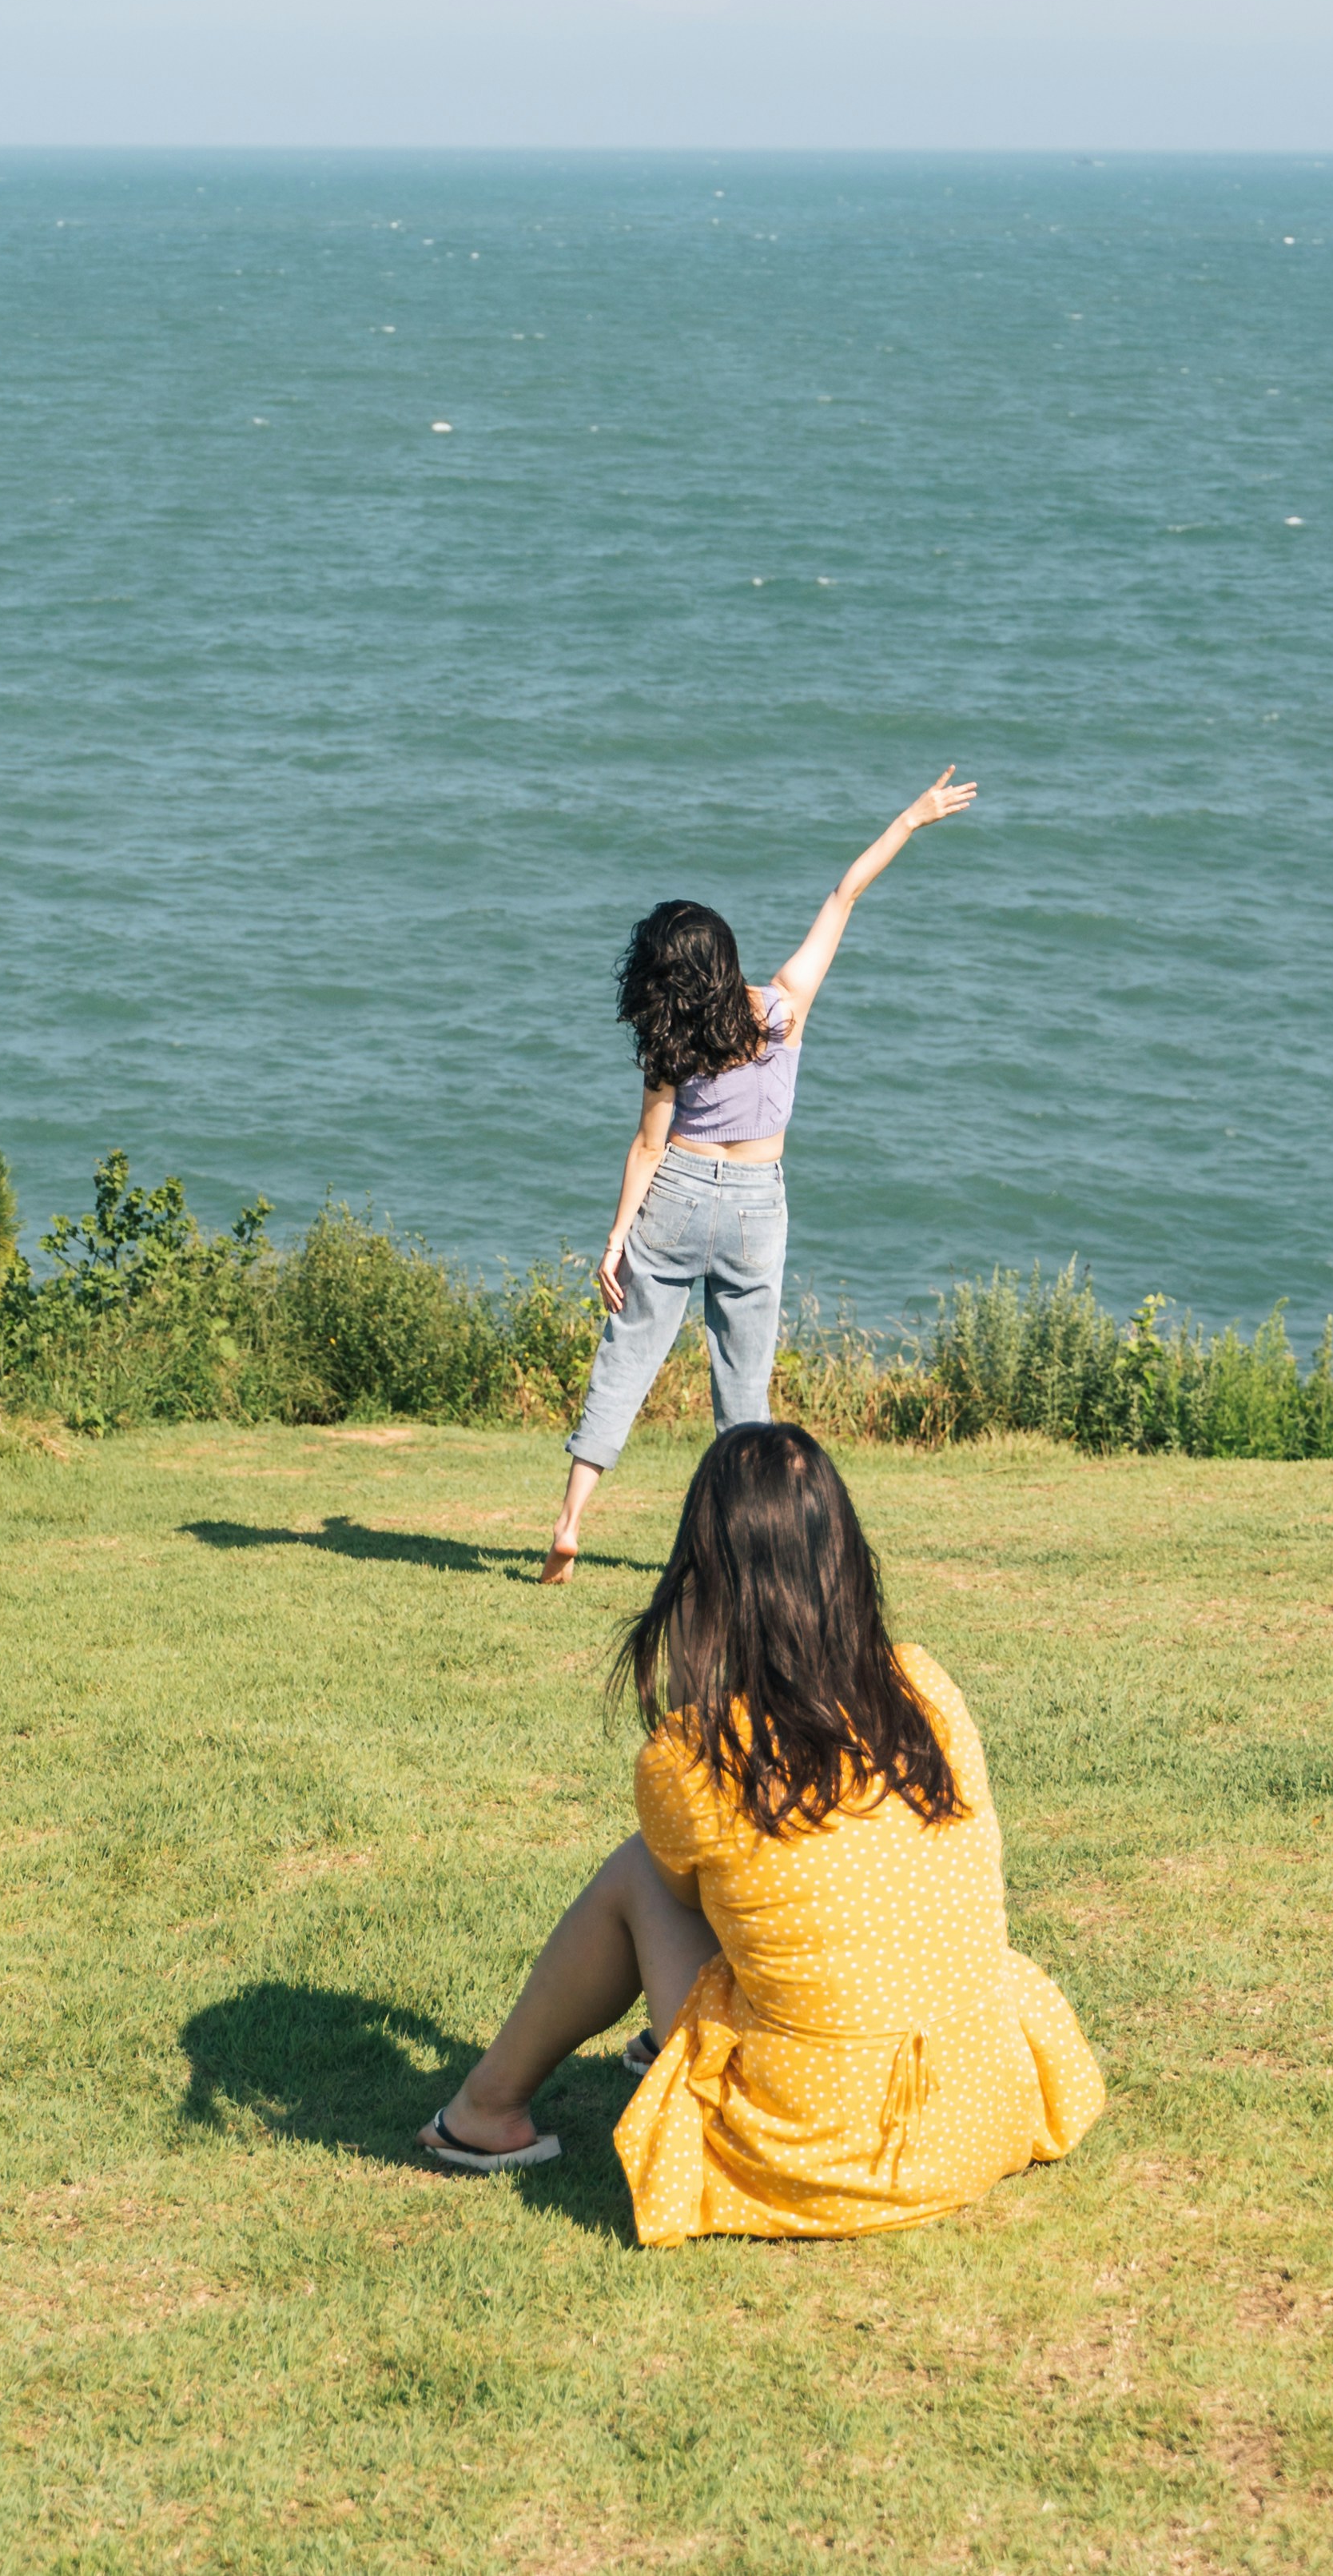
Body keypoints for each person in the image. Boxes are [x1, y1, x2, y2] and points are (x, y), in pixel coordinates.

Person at [420, 1420, 1104, 2236]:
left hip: (817, 2147)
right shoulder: (923, 1685)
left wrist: (697, 1693)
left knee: (644, 1873)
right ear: (844, 1557)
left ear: (703, 1576)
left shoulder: (694, 1752)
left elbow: (681, 1896)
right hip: (977, 2105)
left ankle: (488, 2107)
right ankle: (624, 2062)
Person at [538, 770, 976, 1586]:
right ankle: (743, 1561)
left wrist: (615, 1236)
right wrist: (911, 818)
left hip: (672, 1196)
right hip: (752, 1207)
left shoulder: (668, 1040)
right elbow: (842, 897)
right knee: (742, 1395)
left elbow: (645, 1145)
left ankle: (568, 1524)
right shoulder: (782, 1008)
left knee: (624, 1364)